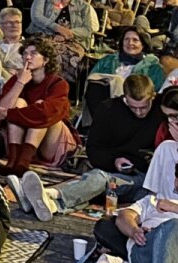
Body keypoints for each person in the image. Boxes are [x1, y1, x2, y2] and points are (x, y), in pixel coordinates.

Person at [18, 75, 163, 222]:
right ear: (124, 98)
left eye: (144, 107)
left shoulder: (161, 109)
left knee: (98, 181)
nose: (139, 112)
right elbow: (93, 149)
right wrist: (115, 161)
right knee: (96, 185)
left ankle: (48, 194)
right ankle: (51, 205)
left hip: (143, 179)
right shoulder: (108, 109)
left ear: (153, 97)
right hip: (111, 174)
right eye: (133, 107)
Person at [0, 36, 75, 176]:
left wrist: (10, 114)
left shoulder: (58, 83)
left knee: (40, 106)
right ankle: (13, 160)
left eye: (33, 53)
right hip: (22, 139)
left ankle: (23, 162)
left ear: (45, 60)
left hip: (53, 142)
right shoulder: (18, 79)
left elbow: (45, 113)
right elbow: (0, 109)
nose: (28, 57)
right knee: (19, 102)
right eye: (25, 53)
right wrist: (20, 83)